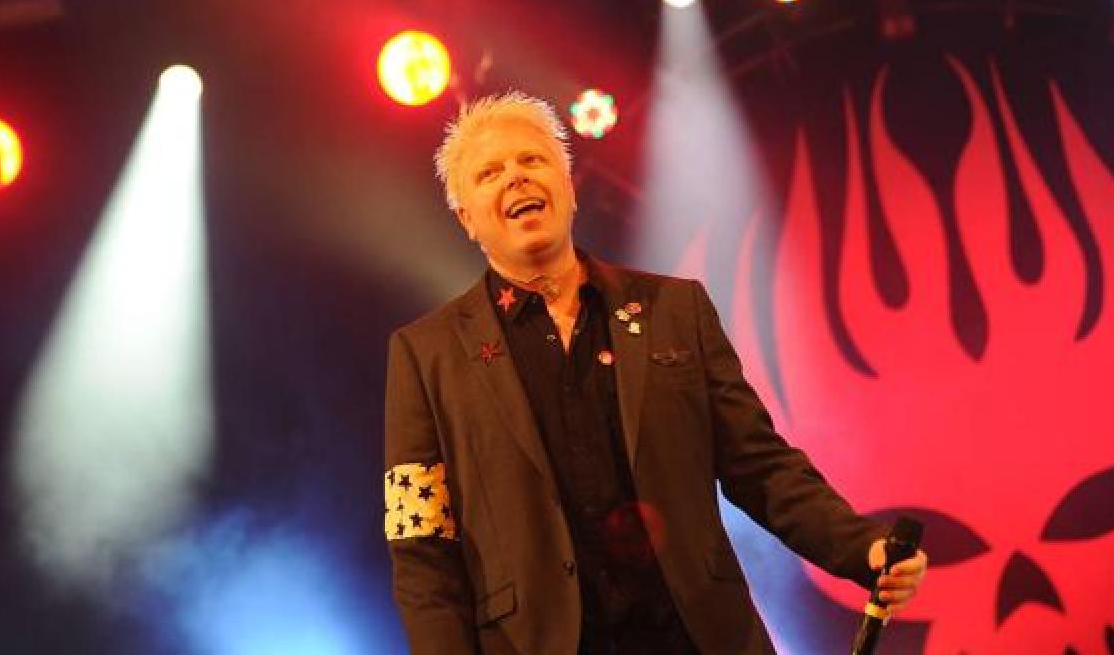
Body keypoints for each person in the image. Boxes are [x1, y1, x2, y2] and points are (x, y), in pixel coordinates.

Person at [383, 92, 926, 654]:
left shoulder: (675, 310)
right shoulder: (426, 356)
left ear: (568, 186)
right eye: (490, 173)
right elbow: (422, 547)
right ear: (467, 219)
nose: (516, 177)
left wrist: (859, 547)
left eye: (532, 160)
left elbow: (759, 464)